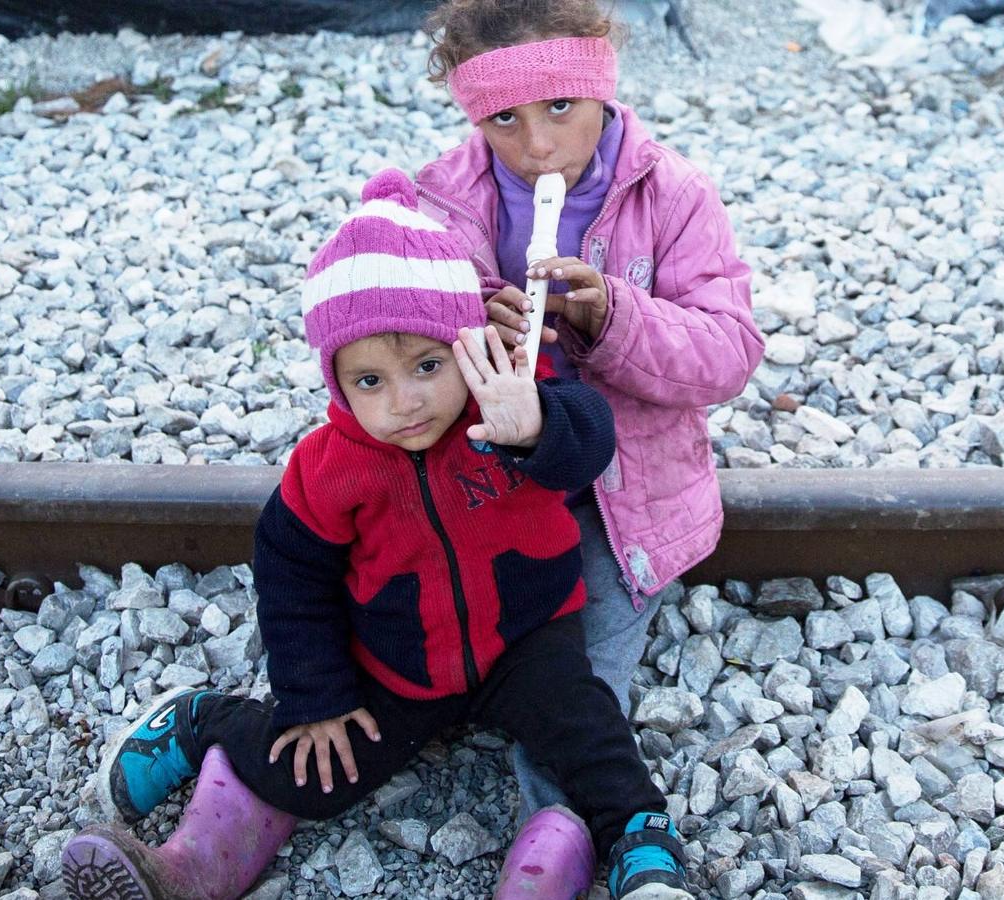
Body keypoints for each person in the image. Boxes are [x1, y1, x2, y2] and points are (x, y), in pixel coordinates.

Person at [60, 170, 692, 900]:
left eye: (428, 364)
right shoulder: (328, 468)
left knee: (589, 733)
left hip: (526, 638)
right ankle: (202, 723)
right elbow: (292, 578)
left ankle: (643, 849)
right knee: (319, 770)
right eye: (370, 382)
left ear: (470, 343)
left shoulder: (507, 408)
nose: (408, 401)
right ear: (335, 381)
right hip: (399, 663)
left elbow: (592, 445)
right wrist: (316, 694)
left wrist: (538, 427)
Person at [414, 0, 764, 845]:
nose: (536, 146)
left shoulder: (670, 192)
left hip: (620, 491)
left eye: (559, 109)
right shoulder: (441, 200)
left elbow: (729, 352)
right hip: (488, 475)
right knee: (412, 630)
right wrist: (462, 336)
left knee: (579, 665)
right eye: (503, 118)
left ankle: (559, 834)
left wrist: (614, 317)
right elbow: (387, 364)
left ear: (601, 87)